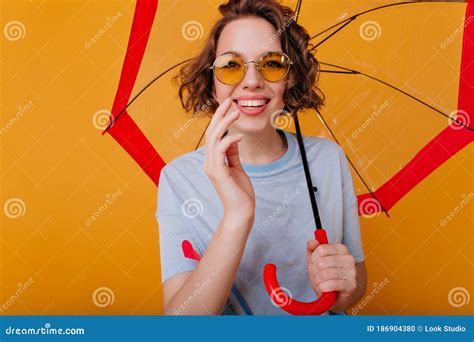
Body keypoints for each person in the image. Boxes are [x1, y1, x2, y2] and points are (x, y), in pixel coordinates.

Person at [156, 0, 367, 315]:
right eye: (230, 65)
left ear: (290, 78)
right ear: (212, 83)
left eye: (271, 63)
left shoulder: (328, 159)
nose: (253, 80)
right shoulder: (179, 179)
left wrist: (346, 287)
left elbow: (356, 284)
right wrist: (238, 215)